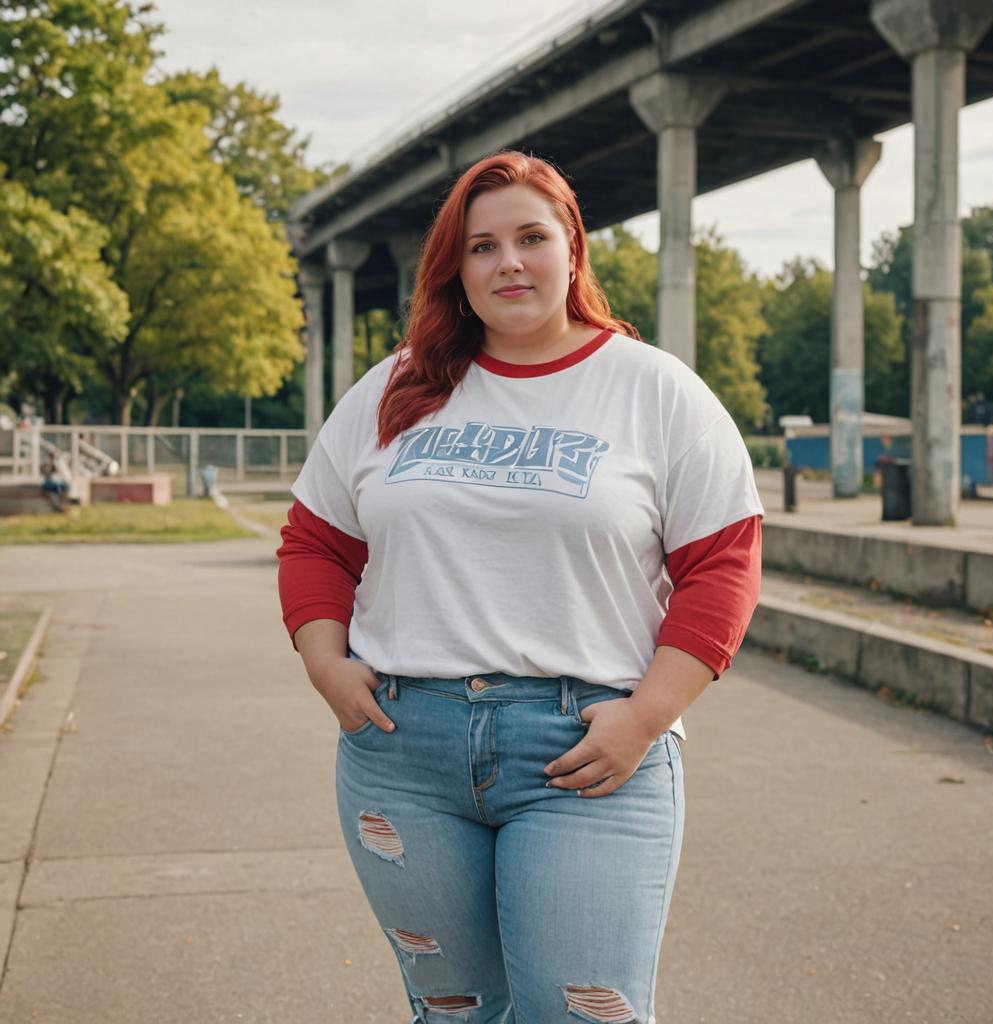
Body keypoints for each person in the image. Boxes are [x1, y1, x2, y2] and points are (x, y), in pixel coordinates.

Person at [276, 149, 763, 1023]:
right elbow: (315, 538)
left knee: (583, 1012)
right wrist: (324, 663)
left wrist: (646, 716)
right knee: (455, 1011)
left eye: (531, 237)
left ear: (572, 249)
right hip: (402, 750)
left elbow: (723, 563)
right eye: (481, 246)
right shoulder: (396, 389)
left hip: (587, 752)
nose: (509, 262)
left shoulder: (654, 391)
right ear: (454, 270)